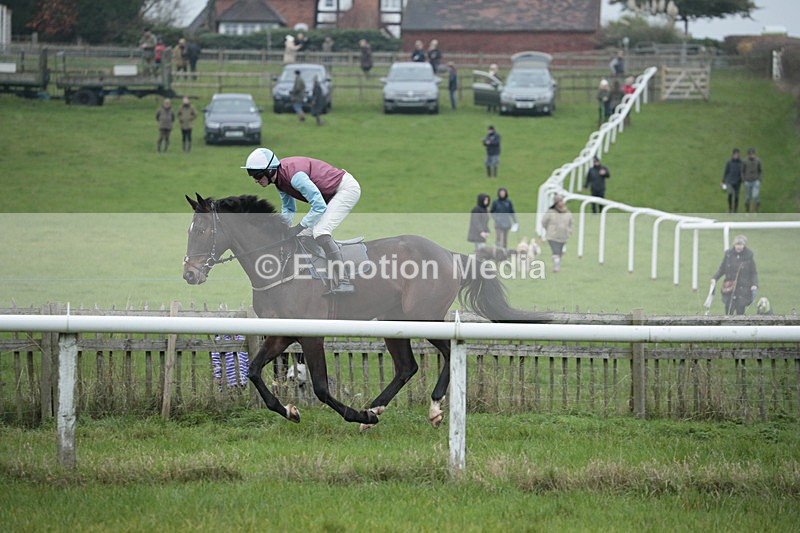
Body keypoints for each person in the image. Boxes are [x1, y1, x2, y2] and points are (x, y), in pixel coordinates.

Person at [242, 148, 361, 294]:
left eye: (258, 175)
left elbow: (319, 205)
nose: (255, 180)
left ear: (270, 170)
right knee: (304, 235)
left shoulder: (295, 177)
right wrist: (282, 229)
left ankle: (344, 281)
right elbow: (289, 208)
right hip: (331, 194)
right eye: (252, 176)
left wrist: (298, 227)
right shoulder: (279, 180)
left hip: (346, 189)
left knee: (320, 231)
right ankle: (318, 278)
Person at [711, 234, 758, 315]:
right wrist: (715, 278)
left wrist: (754, 284)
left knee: (740, 311)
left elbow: (753, 272)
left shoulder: (748, 256)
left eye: (741, 244)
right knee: (728, 310)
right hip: (730, 289)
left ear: (744, 245)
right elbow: (722, 269)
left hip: (743, 289)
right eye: (737, 244)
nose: (739, 247)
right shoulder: (729, 255)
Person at [540, 194, 573, 273]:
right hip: (552, 236)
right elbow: (544, 222)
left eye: (562, 201)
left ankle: (557, 263)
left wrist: (569, 231)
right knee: (555, 251)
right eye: (559, 201)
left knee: (560, 252)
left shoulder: (567, 213)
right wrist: (548, 229)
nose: (561, 203)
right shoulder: (550, 212)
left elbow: (570, 223)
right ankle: (556, 265)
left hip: (563, 236)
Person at [722, 148, 743, 213]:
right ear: (733, 154)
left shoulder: (741, 163)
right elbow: (726, 171)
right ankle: (730, 208)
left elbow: (743, 171)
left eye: (738, 154)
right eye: (736, 154)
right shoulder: (729, 162)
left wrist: (742, 179)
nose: (737, 156)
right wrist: (723, 180)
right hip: (730, 181)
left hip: (738, 182)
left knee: (736, 196)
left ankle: (735, 210)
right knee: (730, 194)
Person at [741, 147, 762, 213]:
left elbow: (760, 170)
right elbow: (742, 171)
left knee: (755, 196)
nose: (751, 155)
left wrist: (759, 179)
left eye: (752, 154)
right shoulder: (744, 161)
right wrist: (744, 180)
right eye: (750, 154)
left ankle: (756, 209)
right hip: (747, 181)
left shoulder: (758, 161)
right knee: (747, 198)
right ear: (748, 155)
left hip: (755, 181)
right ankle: (747, 210)